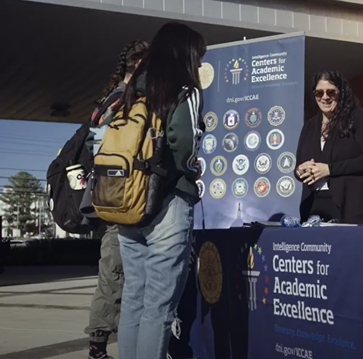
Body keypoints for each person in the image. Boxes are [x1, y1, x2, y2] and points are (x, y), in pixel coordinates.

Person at [116, 22, 205, 359]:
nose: (198, 65)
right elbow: (184, 140)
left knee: (134, 302)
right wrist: (189, 169)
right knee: (159, 307)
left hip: (129, 202)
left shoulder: (132, 87)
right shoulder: (184, 89)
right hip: (168, 203)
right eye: (198, 57)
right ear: (185, 53)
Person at [84, 39, 149, 359]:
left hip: (117, 197)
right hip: (118, 200)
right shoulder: (119, 101)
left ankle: (112, 346)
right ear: (137, 64)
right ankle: (98, 348)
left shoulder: (113, 99)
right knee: (114, 276)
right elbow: (98, 145)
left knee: (121, 275)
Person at [295, 71, 363, 224]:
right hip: (314, 204)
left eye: (330, 92)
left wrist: (330, 169)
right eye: (319, 92)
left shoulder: (358, 117)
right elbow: (298, 165)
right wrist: (300, 171)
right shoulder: (309, 126)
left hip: (350, 203)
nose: (325, 97)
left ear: (341, 93)